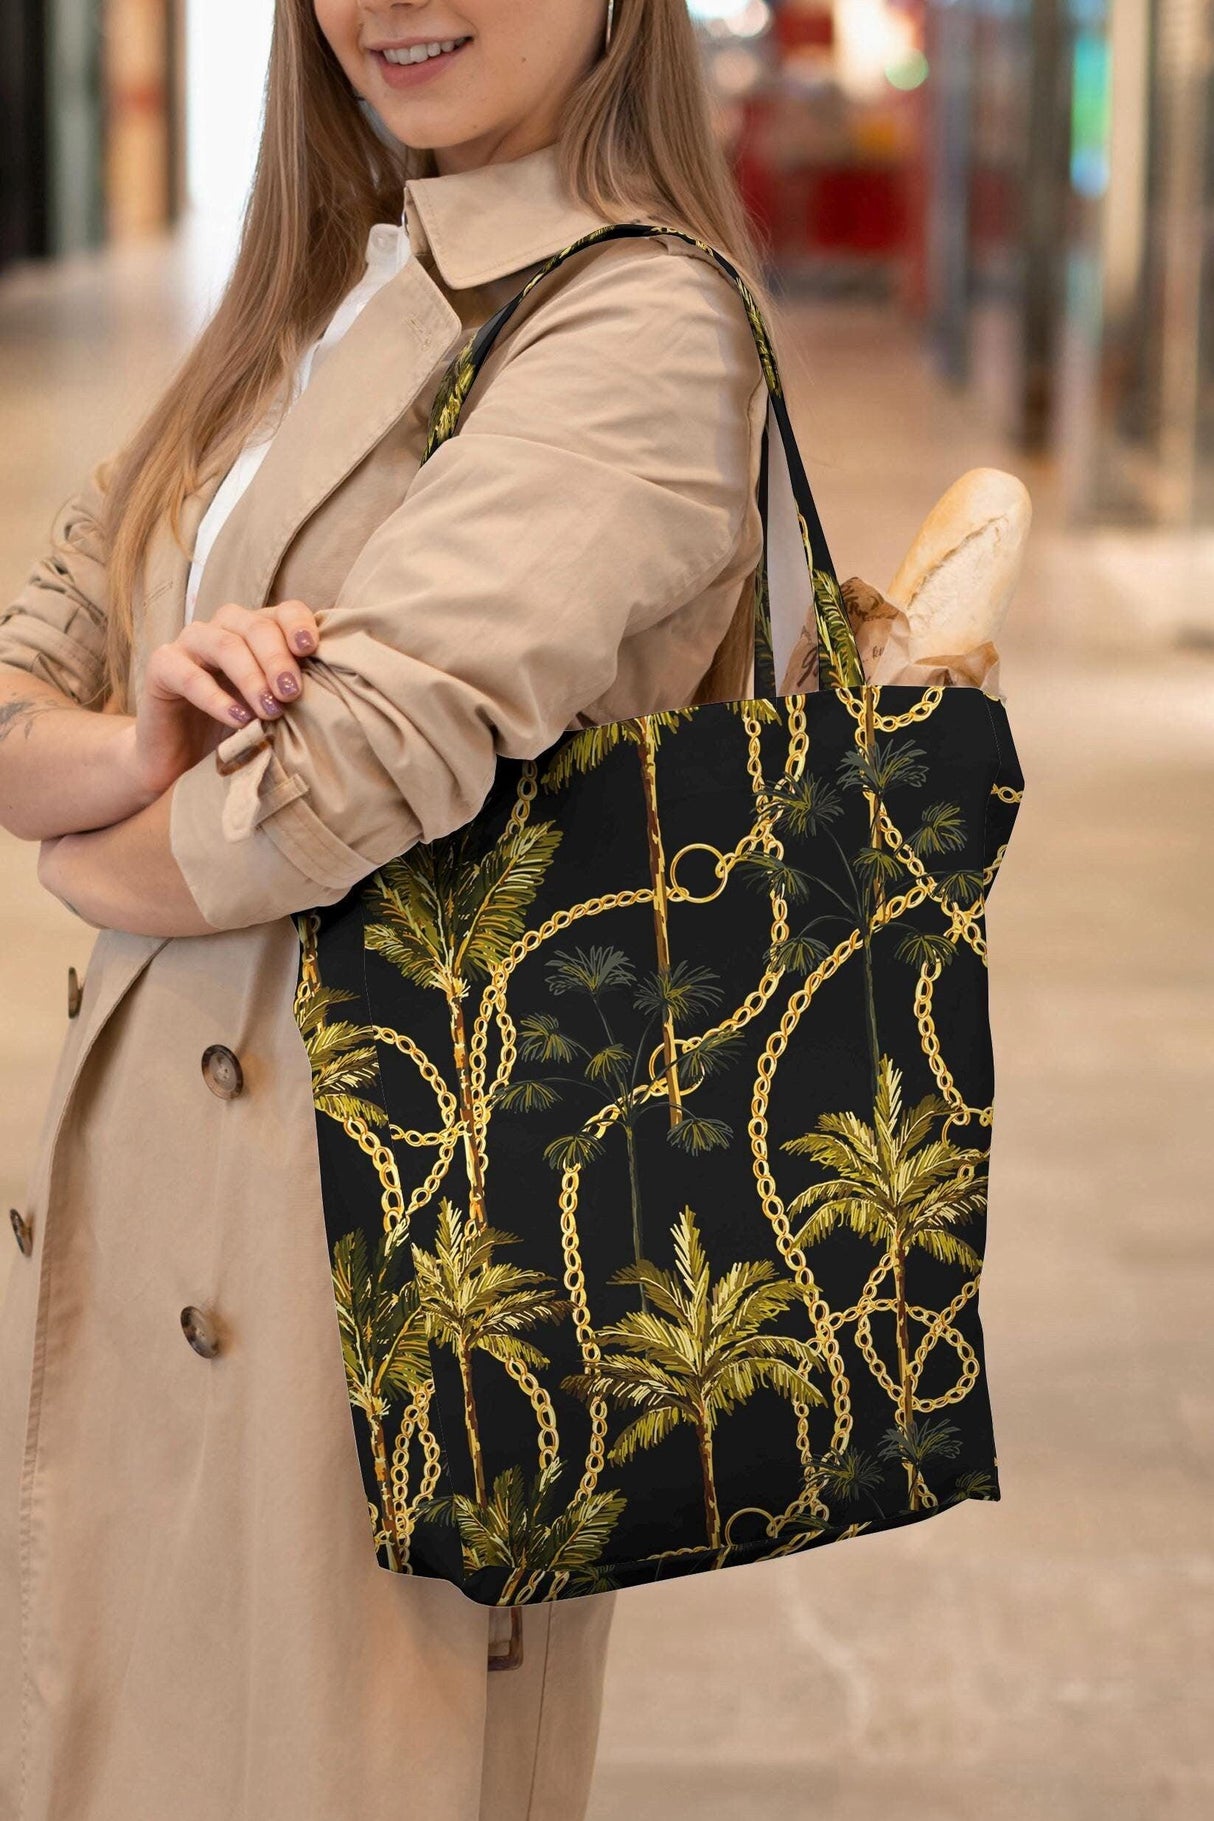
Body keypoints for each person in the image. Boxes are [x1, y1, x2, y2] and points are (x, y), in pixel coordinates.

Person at [0, 2, 795, 1816]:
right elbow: (26, 671)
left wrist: (84, 836)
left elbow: (337, 783)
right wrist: (137, 744)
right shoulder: (307, 303)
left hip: (397, 1273)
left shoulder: (635, 319)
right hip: (168, 1212)